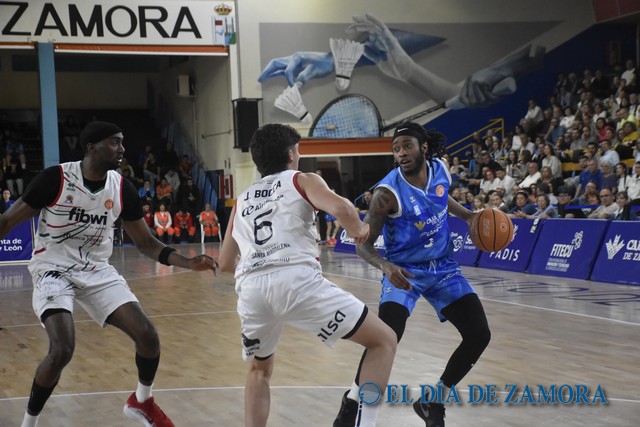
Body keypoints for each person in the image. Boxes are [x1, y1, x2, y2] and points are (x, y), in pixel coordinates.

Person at [0, 121, 218, 427]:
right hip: (53, 270)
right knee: (62, 349)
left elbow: (145, 243)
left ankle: (142, 402)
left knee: (148, 336)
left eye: (122, 142)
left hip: (97, 271)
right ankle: (29, 423)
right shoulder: (56, 179)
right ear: (92, 148)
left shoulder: (121, 188)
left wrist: (188, 262)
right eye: (115, 142)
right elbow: (7, 221)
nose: (122, 149)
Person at [218, 123, 396, 427]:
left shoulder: (243, 199)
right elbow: (343, 209)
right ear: (291, 154)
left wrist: (262, 268)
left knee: (259, 370)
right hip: (296, 281)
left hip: (251, 288)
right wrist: (360, 230)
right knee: (384, 341)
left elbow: (224, 262)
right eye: (298, 151)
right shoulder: (302, 179)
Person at [333, 123, 490, 427]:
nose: (401, 153)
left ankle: (434, 401)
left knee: (479, 334)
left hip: (443, 267)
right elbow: (363, 246)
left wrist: (468, 215)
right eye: (396, 149)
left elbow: (441, 197)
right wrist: (386, 267)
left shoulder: (441, 169)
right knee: (386, 339)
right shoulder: (386, 194)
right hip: (403, 271)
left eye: (407, 146)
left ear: (423, 148)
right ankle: (352, 401)